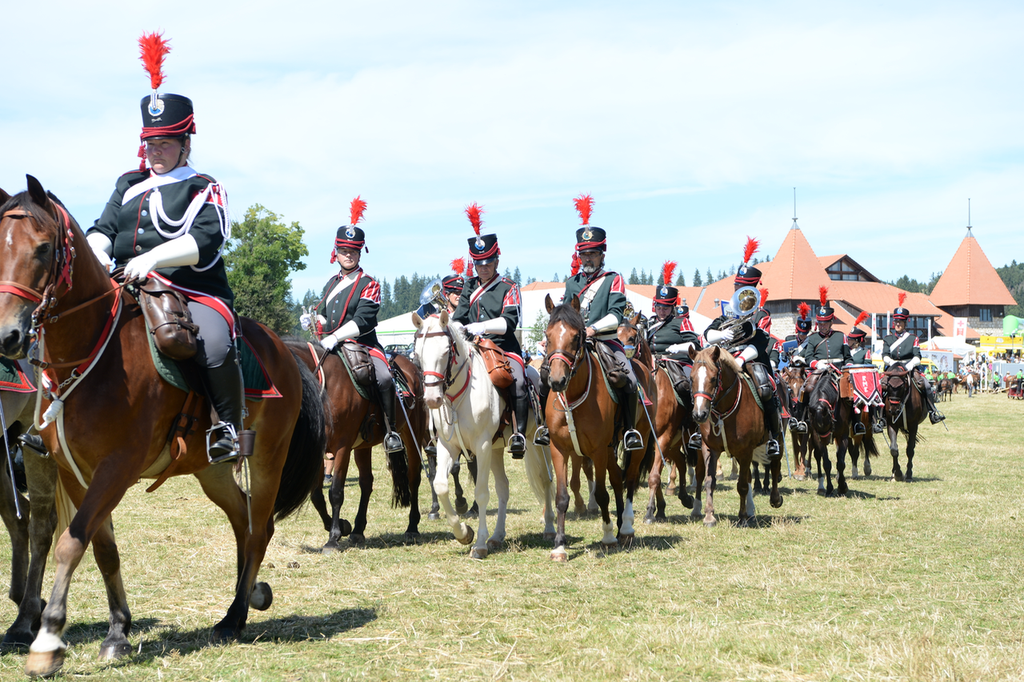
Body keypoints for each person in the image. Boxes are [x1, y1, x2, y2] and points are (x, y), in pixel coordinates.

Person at [87, 34, 242, 462]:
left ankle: (228, 427)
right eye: (150, 144)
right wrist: (97, 252)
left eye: (165, 144)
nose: (155, 152)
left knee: (213, 342)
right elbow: (102, 227)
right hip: (125, 283)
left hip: (192, 291)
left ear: (186, 144)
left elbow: (206, 240)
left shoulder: (204, 187)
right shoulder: (128, 183)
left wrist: (152, 258)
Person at [539, 194, 642, 451]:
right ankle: (544, 424)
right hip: (574, 342)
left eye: (593, 254)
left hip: (604, 340)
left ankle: (629, 430)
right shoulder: (572, 282)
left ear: (602, 254)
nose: (588, 259)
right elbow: (562, 315)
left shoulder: (613, 279)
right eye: (583, 254)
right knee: (544, 373)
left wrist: (593, 328)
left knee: (628, 378)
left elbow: (617, 315)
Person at [302, 197, 404, 454]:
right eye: (344, 251)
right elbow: (324, 315)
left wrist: (335, 336)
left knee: (383, 378)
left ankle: (391, 432)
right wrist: (315, 321)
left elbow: (363, 320)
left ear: (360, 253)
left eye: (353, 251)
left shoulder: (369, 283)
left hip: (364, 345)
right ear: (336, 253)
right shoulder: (331, 283)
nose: (348, 255)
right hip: (331, 344)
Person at [451, 203, 531, 458]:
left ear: (497, 259)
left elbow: (509, 322)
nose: (483, 267)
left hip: (504, 348)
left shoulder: (509, 286)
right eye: (478, 263)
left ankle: (518, 433)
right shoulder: (468, 286)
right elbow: (458, 317)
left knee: (517, 380)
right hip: (474, 348)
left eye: (488, 262)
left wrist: (481, 326)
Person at [702, 237, 783, 461]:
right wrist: (719, 335)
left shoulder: (761, 314)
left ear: (752, 288)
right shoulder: (726, 313)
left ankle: (774, 436)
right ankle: (700, 431)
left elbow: (761, 342)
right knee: (701, 380)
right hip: (725, 357)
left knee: (766, 387)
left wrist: (740, 360)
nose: (739, 290)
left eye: (744, 287)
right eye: (737, 286)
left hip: (751, 359)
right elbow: (707, 332)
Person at [881, 293, 944, 424]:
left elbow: (917, 357)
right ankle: (880, 418)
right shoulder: (888, 338)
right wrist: (894, 365)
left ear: (905, 323)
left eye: (900, 322)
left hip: (908, 368)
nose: (898, 324)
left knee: (925, 384)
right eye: (896, 321)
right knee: (880, 387)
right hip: (892, 370)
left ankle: (933, 413)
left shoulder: (912, 338)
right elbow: (885, 356)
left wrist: (906, 367)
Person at [847, 311, 884, 434]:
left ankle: (874, 422)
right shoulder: (846, 352)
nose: (848, 341)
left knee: (870, 396)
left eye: (850, 339)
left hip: (861, 381)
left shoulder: (865, 352)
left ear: (856, 341)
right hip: (848, 379)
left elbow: (867, 368)